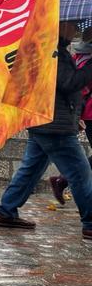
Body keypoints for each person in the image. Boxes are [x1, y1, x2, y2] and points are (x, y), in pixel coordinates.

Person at [0, 20, 92, 242]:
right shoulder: (52, 51)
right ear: (60, 25)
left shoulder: (48, 48)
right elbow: (69, 82)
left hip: (44, 121)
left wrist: (74, 116)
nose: (76, 30)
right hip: (53, 126)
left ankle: (6, 211)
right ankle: (90, 223)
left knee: (31, 169)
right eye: (72, 25)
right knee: (80, 172)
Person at [49, 24, 92, 204]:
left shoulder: (77, 56)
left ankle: (62, 180)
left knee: (33, 163)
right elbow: (75, 85)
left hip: (82, 113)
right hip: (89, 112)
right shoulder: (82, 59)